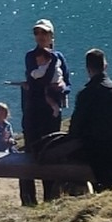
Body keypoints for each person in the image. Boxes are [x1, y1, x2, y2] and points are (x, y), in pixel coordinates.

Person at [18, 20, 72, 206]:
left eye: (44, 33)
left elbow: (68, 82)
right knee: (29, 156)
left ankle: (51, 198)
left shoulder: (59, 57)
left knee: (51, 154)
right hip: (33, 113)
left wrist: (63, 88)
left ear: (51, 36)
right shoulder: (31, 56)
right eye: (37, 33)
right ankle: (28, 200)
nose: (41, 36)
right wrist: (53, 63)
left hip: (51, 116)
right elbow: (39, 81)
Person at [67, 47, 112, 189]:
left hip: (99, 150)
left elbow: (75, 128)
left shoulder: (86, 94)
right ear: (105, 66)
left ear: (87, 68)